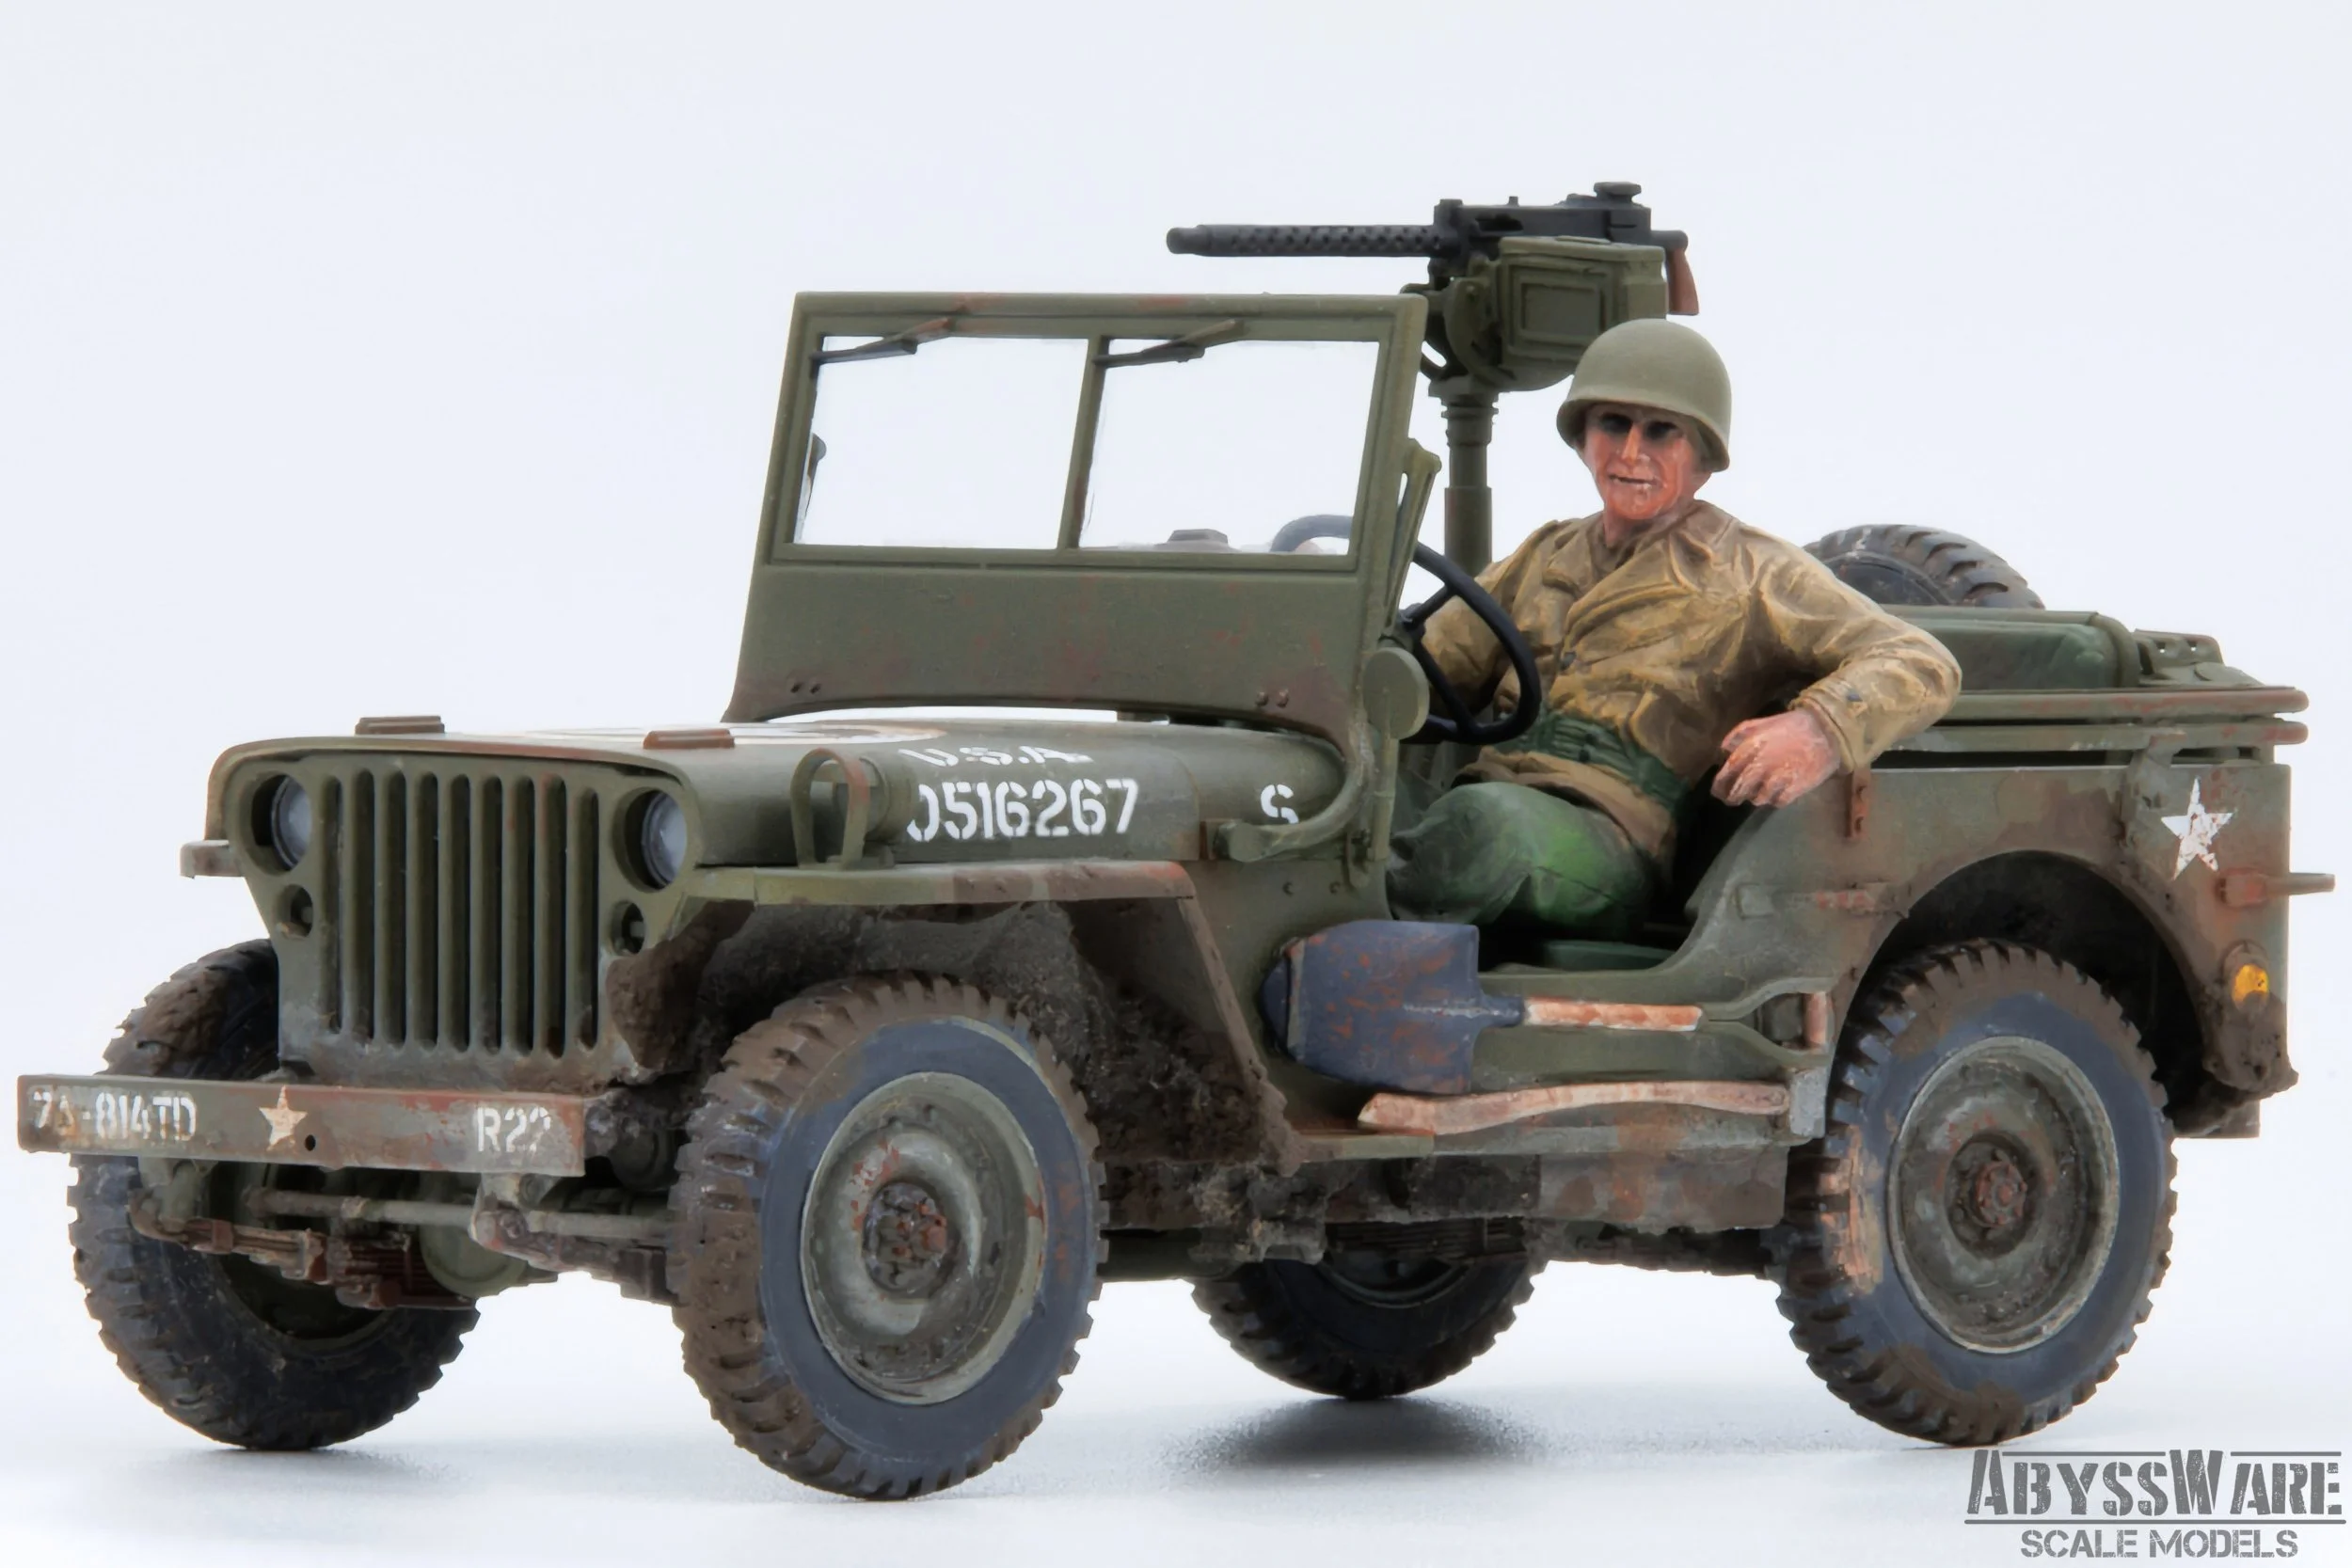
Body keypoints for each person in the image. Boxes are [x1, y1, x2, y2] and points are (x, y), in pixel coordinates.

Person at [1387, 317, 1962, 941]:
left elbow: (1920, 660)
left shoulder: (1751, 570)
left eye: (1662, 432)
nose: (1632, 452)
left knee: (1483, 831)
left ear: (1703, 458)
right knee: (1320, 796)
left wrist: (1820, 726)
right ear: (1583, 437)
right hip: (1483, 794)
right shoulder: (1546, 554)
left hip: (1605, 835)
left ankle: (1345, 958)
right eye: (1613, 424)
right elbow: (1429, 665)